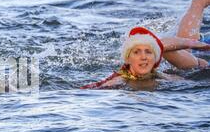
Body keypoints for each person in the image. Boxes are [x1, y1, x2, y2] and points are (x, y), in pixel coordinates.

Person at [81, 26, 210, 89]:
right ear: (128, 58)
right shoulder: (117, 82)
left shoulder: (165, 77)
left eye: (148, 52)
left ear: (155, 58)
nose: (144, 57)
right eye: (136, 52)